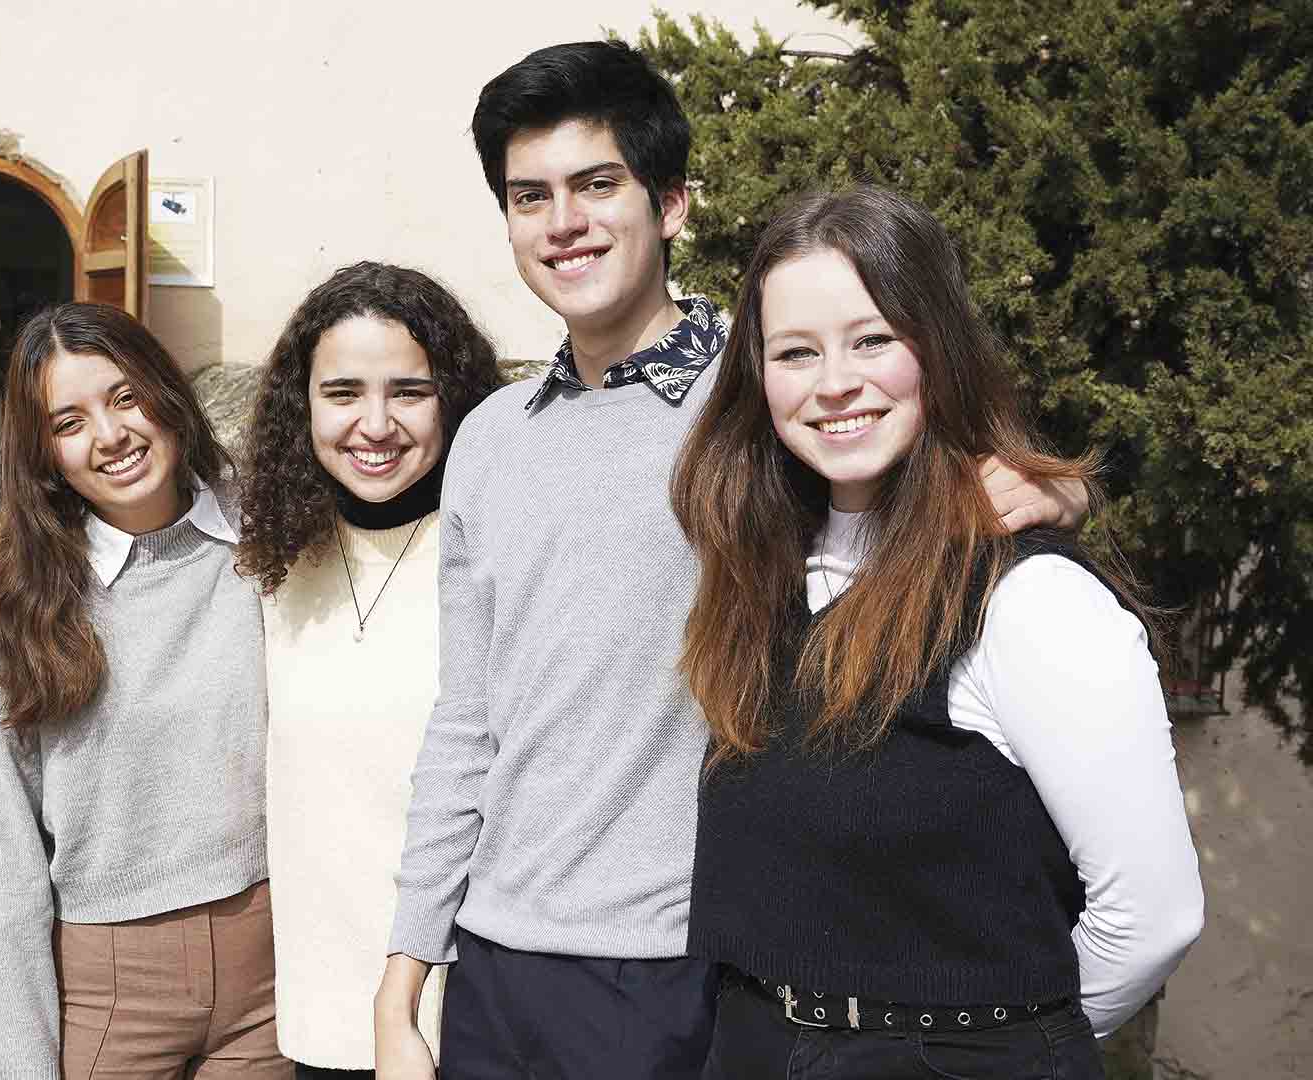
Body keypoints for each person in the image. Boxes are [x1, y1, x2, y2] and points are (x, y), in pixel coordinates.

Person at [372, 41, 1091, 1080]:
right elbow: (467, 719)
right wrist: (406, 976)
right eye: (530, 197)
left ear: (672, 205)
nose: (562, 222)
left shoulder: (765, 400)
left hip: (686, 968)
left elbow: (932, 475)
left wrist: (1054, 491)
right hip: (495, 965)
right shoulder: (488, 437)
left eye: (596, 184)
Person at [670, 185, 1204, 1079]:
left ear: (939, 349)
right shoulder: (760, 577)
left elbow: (1154, 917)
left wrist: (999, 1045)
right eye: (796, 352)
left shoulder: (1026, 598)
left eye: (872, 338)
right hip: (753, 1045)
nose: (835, 382)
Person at [0, 302, 288, 1080]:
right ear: (43, 454)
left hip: (273, 974)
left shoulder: (271, 540)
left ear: (166, 394)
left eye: (125, 398)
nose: (110, 437)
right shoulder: (5, 608)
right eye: (69, 421)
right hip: (113, 990)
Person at [234, 262, 505, 1080]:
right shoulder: (269, 561)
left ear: (454, 402)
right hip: (318, 1010)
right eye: (344, 392)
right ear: (303, 405)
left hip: (467, 1010)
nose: (375, 424)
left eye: (410, 392)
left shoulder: (496, 551)